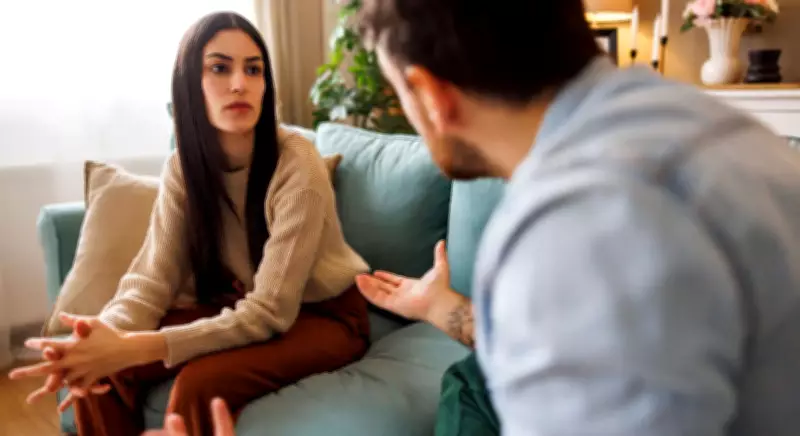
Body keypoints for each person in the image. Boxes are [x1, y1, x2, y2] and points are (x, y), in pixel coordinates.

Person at [353, 1, 800, 435]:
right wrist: (438, 306)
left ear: (431, 96)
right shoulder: (712, 125)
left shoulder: (577, 226)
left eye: (400, 94)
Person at [9, 11, 371, 436]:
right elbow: (150, 282)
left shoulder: (297, 164)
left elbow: (272, 310)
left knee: (200, 386)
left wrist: (137, 348)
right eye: (220, 68)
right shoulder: (182, 167)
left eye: (253, 70)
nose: (239, 83)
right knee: (98, 372)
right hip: (241, 302)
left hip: (324, 317)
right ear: (188, 84)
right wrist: (101, 339)